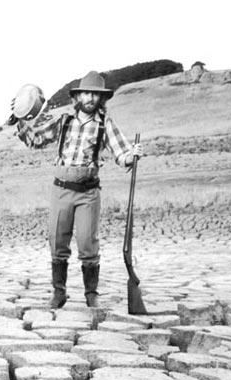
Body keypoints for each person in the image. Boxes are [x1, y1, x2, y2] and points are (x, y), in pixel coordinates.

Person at [9, 70, 144, 308]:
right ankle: (58, 293)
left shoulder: (105, 124)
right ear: (78, 96)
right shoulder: (64, 120)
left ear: (101, 99)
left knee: (87, 243)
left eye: (95, 95)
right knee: (58, 241)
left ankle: (91, 295)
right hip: (61, 190)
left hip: (88, 193)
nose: (90, 98)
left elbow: (121, 152)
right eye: (87, 93)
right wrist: (20, 118)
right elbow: (36, 140)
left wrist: (132, 156)